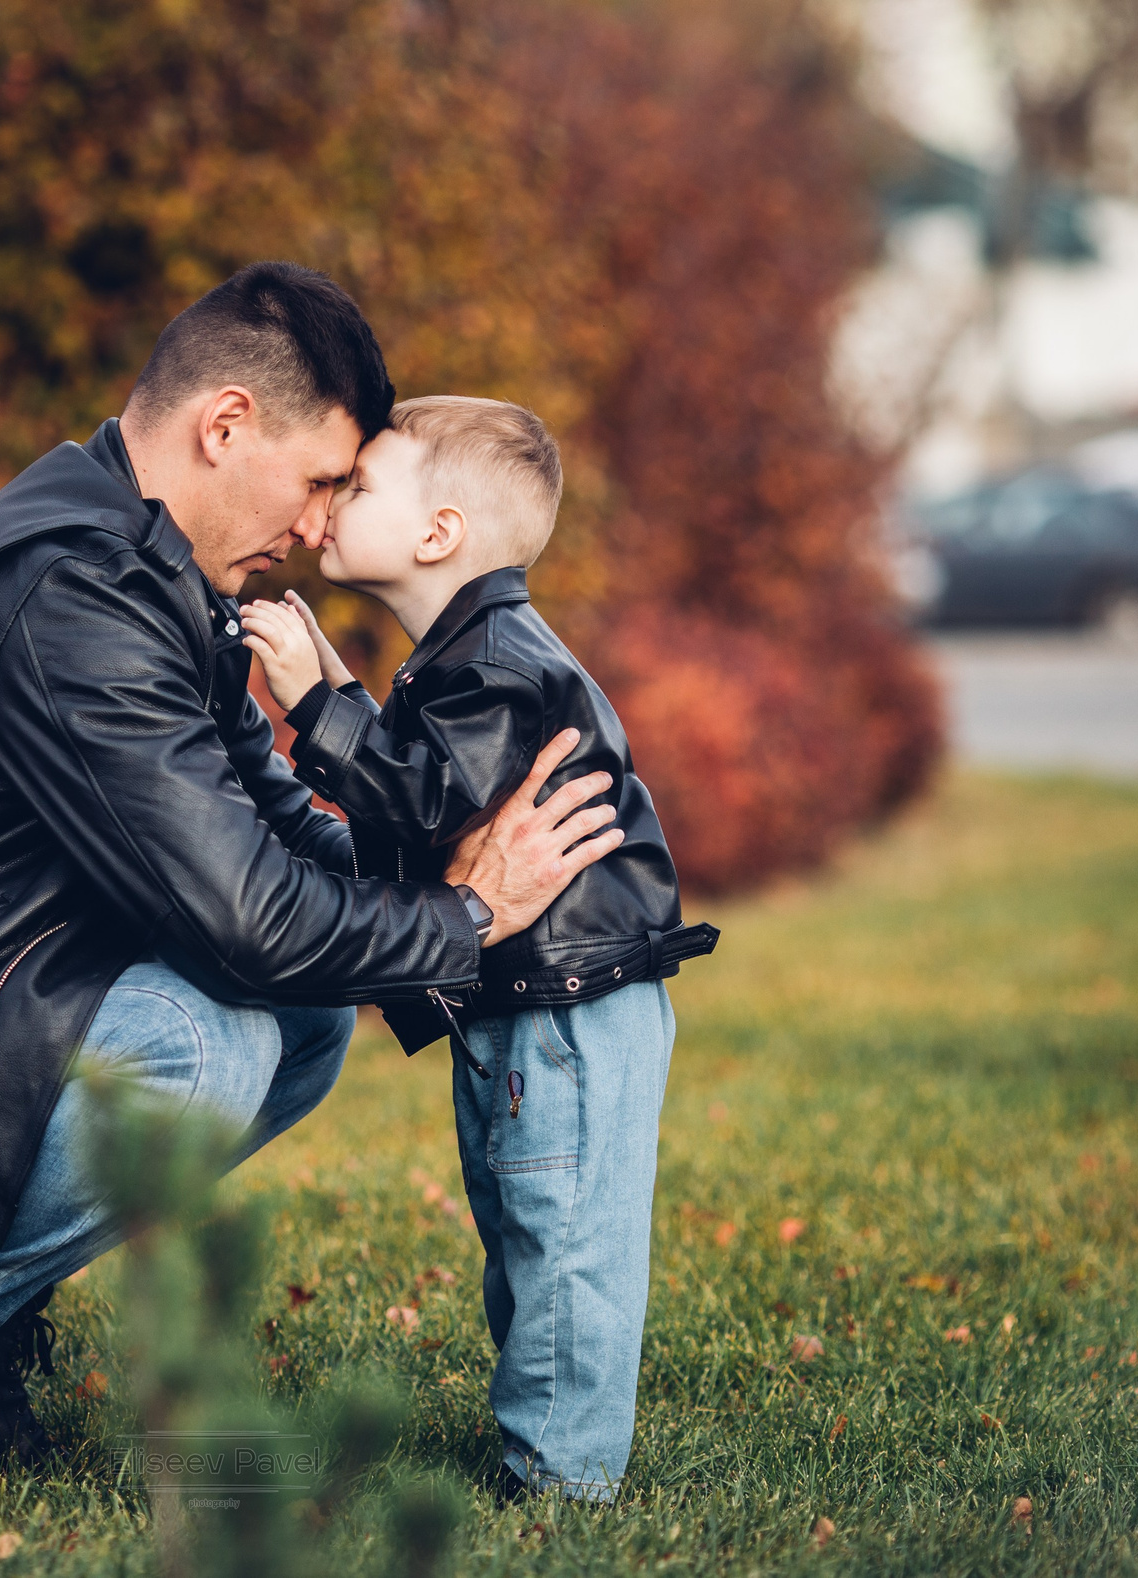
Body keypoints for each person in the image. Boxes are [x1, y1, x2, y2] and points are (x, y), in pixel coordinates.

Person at [0, 267, 627, 1488]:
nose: (319, 526)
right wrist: (472, 915)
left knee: (300, 1020)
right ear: (224, 426)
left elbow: (280, 845)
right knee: (203, 1051)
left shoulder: (152, 576)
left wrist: (439, 871)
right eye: (318, 481)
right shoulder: (70, 592)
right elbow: (250, 917)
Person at [237, 395, 717, 1502]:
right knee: (521, 1220)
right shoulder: (466, 657)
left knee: (562, 1238)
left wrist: (316, 705)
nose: (330, 505)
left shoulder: (496, 661)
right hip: (532, 1001)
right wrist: (343, 698)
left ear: (436, 534)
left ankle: (558, 1482)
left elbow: (422, 795)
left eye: (355, 489)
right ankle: (542, 1437)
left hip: (570, 1012)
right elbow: (433, 795)